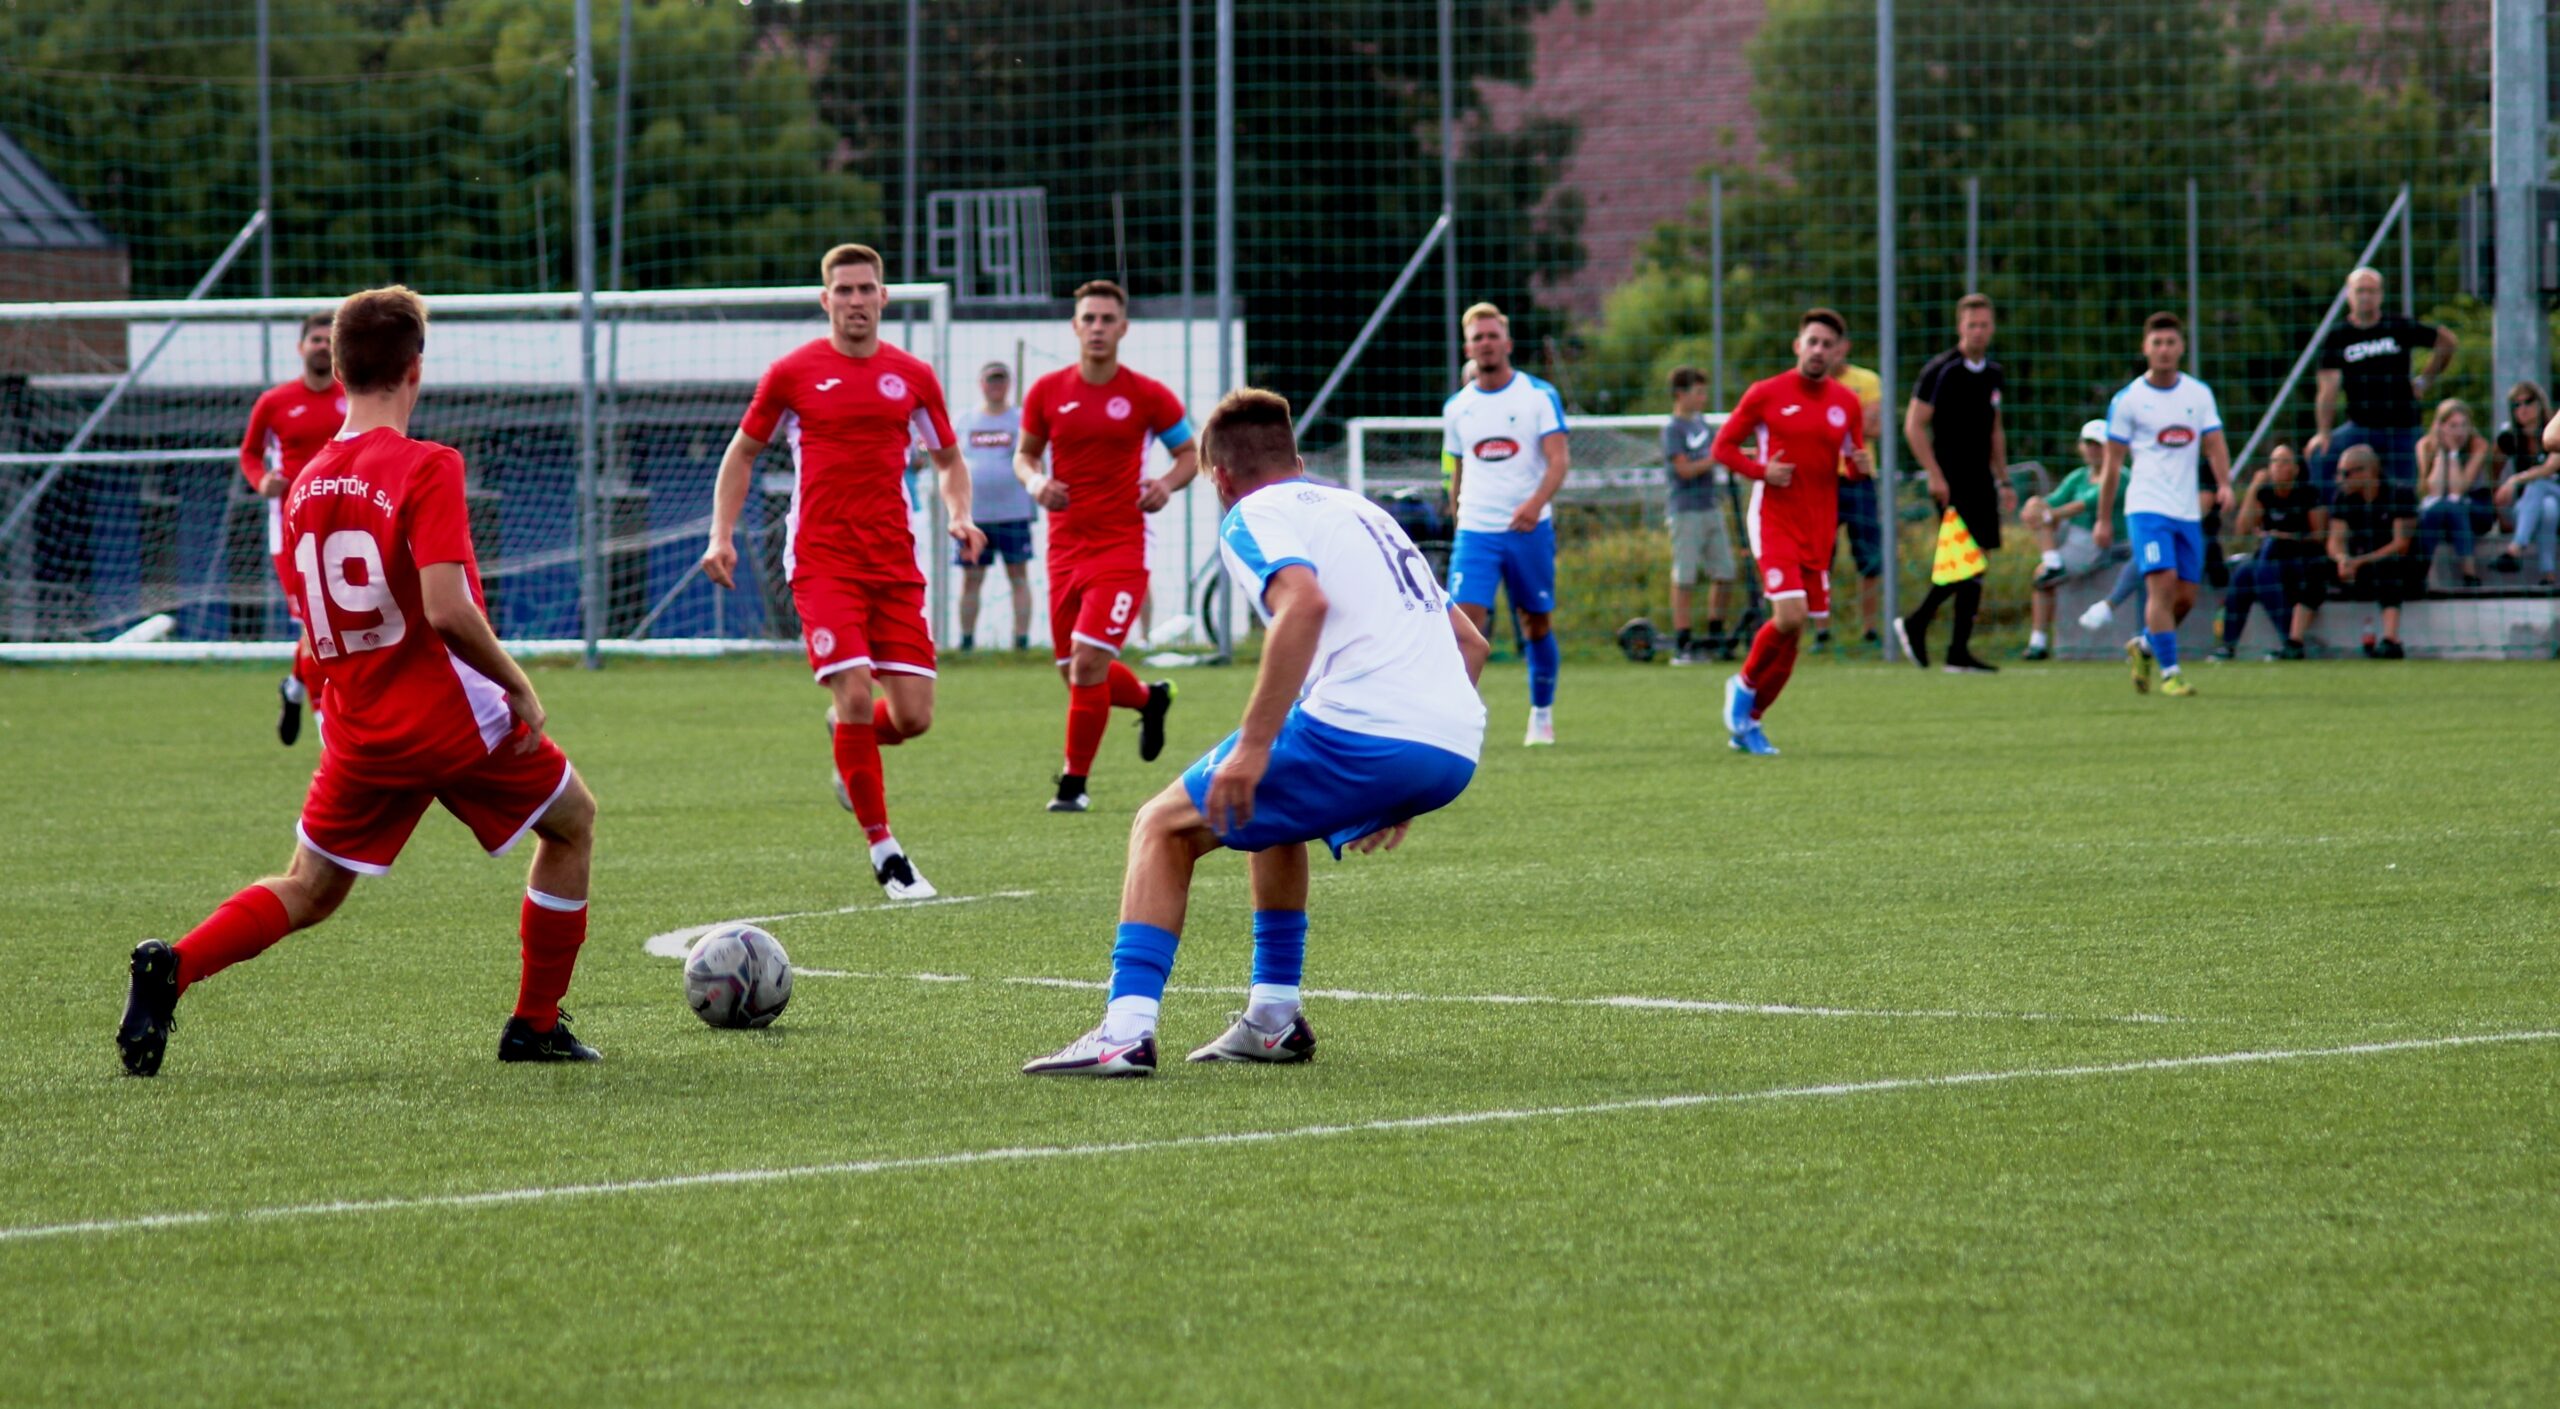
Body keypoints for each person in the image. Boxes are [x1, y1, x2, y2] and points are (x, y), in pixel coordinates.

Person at [116, 286, 603, 1076]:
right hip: (455, 719)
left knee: (309, 885)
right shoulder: (429, 465)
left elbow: (315, 623)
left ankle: (175, 965)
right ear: (416, 369)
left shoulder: (307, 483)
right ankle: (534, 1024)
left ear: (337, 371)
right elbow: (447, 610)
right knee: (573, 821)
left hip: (361, 728)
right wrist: (519, 685)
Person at [1022, 389, 1488, 1076]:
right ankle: (1273, 1019)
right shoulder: (1365, 512)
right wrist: (1409, 772)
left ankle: (1124, 1031)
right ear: (1297, 461)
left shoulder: (1252, 513)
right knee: (1265, 813)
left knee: (1160, 826)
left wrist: (1254, 743)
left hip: (1369, 729)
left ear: (1219, 478)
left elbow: (1303, 605)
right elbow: (1471, 643)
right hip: (1453, 745)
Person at [701, 243, 984, 900]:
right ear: (825, 299)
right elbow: (742, 454)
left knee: (912, 717)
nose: (856, 300)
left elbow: (948, 459)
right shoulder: (792, 373)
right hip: (823, 561)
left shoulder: (912, 375)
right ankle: (887, 853)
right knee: (855, 693)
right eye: (844, 290)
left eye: (866, 289)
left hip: (894, 563)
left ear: (884, 297)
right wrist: (721, 535)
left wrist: (960, 514)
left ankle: (845, 738)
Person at [1014, 280, 1190, 813]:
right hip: (1064, 548)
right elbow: (1025, 455)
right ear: (1075, 326)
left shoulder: (1147, 394)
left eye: (1107, 319)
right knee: (1072, 671)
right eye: (1088, 318)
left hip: (1122, 547)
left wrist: (1165, 485)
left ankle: (1073, 785)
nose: (1097, 327)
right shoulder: (1047, 391)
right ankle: (1149, 698)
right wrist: (1035, 483)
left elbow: (1189, 454)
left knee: (1089, 662)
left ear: (1123, 328)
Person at [1709, 308, 1871, 754]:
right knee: (1789, 616)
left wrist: (1861, 467)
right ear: (1798, 345)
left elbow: (1853, 465)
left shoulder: (1847, 403)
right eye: (1812, 341)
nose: (1818, 350)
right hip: (1773, 519)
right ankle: (1742, 686)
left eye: (1827, 344)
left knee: (1793, 634)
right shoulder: (1766, 393)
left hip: (1818, 527)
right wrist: (1762, 471)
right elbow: (1723, 447)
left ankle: (1750, 723)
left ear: (1839, 353)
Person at [1442, 301, 1571, 745]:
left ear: (1507, 343)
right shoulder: (1457, 407)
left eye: (1492, 336)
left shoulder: (1538, 396)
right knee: (1463, 626)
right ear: (1468, 348)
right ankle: (1457, 721)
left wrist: (1535, 504)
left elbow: (1559, 460)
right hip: (1476, 531)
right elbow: (1457, 469)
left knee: (1535, 623)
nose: (1485, 343)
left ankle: (1541, 713)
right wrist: (1458, 517)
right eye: (1477, 338)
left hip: (1528, 530)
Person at [2095, 311, 2233, 698]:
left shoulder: (2198, 395)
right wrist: (2103, 519)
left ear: (2181, 347)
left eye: (2171, 342)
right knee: (2163, 585)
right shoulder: (2129, 400)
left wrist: (2224, 483)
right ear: (2146, 348)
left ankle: (2144, 645)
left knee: (2185, 597)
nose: (2164, 349)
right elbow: (2112, 465)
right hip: (2147, 507)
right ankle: (2171, 673)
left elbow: (2214, 444)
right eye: (2157, 343)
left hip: (2186, 511)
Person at [238, 311, 348, 745]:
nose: (322, 346)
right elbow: (249, 453)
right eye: (315, 339)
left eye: (329, 340)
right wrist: (260, 481)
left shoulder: (352, 397)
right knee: (313, 625)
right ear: (301, 347)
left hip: (343, 528)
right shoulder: (274, 401)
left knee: (330, 624)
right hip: (290, 530)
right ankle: (326, 729)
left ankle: (295, 689)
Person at [1895, 293, 2010, 672]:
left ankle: (1955, 649)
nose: (1978, 331)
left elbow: (1995, 429)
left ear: (1991, 328)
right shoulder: (1941, 370)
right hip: (1950, 479)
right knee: (1965, 559)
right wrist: (1934, 473)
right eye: (1971, 324)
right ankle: (1918, 625)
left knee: (1978, 561)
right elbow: (1914, 425)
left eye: (1984, 324)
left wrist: (2004, 479)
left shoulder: (1993, 373)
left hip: (1982, 478)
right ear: (1960, 327)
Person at [2305, 267, 2456, 494]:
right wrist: (2323, 432)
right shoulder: (2337, 336)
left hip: (2402, 425)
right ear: (2349, 294)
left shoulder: (2398, 325)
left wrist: (2424, 381)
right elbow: (2328, 390)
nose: (2366, 296)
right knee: (2321, 456)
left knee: (2403, 492)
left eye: (2371, 290)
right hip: (2360, 426)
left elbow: (2446, 341)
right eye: (2360, 290)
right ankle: (2327, 515)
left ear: (2381, 295)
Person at [2215, 445, 2328, 660]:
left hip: (2301, 558)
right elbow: (2242, 529)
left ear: (2295, 468)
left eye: (2284, 462)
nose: (2277, 467)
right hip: (2271, 558)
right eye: (2274, 461)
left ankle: (2290, 641)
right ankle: (2228, 646)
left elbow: (2320, 536)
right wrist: (2253, 488)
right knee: (2243, 574)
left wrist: (2286, 537)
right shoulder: (2265, 493)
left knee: (2262, 570)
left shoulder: (2308, 493)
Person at [2021, 420, 2121, 659]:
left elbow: (2084, 504)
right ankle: (2052, 563)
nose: (2093, 450)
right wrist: (2034, 509)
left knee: (2041, 574)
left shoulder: (2118, 475)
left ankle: (2052, 567)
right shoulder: (2078, 476)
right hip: (2075, 537)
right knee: (2035, 504)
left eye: (2098, 445)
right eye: (2088, 444)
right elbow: (2052, 502)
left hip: (2104, 542)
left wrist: (2048, 515)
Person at [2309, 445, 2420, 656]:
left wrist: (2359, 561)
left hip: (2402, 567)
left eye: (2346, 473)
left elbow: (2401, 545)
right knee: (2315, 567)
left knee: (2389, 568)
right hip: (2360, 566)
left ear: (2367, 472)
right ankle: (2294, 641)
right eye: (2338, 473)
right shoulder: (2343, 497)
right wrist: (2342, 559)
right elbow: (2335, 540)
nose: (2340, 479)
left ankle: (2390, 641)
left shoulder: (2400, 493)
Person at [955, 361, 1035, 652]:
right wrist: (922, 450)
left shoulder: (1022, 420)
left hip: (1014, 512)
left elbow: (1037, 456)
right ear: (981, 384)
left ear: (1009, 384)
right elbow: (937, 449)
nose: (996, 386)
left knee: (1018, 576)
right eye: (991, 380)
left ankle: (1021, 641)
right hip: (974, 515)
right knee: (971, 578)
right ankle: (966, 642)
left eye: (1001, 380)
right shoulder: (964, 420)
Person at [1660, 365, 1737, 663]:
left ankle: (1716, 633)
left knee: (1725, 572)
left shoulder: (1702, 425)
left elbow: (1720, 454)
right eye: (1698, 392)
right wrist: (1716, 458)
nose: (1703, 398)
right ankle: (1683, 639)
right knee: (1685, 576)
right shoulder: (1673, 430)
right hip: (1685, 511)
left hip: (1710, 506)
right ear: (1681, 395)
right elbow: (1684, 469)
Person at [1826, 342, 1885, 647]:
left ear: (1845, 346)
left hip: (1860, 479)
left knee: (1870, 557)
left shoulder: (1868, 380)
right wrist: (1855, 418)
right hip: (1821, 480)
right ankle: (1822, 631)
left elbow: (1876, 428)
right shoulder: (1810, 384)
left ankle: (1870, 630)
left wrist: (1831, 421)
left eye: (1832, 343)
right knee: (1820, 558)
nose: (1828, 351)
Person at [2411, 398, 2490, 587]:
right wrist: (2441, 451)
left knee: (2453, 506)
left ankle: (2467, 571)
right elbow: (2433, 490)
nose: (2460, 432)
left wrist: (2453, 454)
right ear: (2440, 426)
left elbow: (2458, 489)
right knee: (2437, 509)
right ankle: (2424, 576)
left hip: (2475, 508)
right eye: (2453, 426)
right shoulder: (2425, 445)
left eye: (2464, 425)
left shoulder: (2478, 445)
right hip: (2440, 509)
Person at [2501, 385, 2560, 585]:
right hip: (2529, 506)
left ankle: (2516, 547)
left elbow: (2550, 468)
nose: (2523, 409)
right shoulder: (2509, 438)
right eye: (2516, 405)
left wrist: (2515, 479)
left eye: (2528, 402)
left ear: (2540, 403)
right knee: (2548, 508)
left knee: (2539, 484)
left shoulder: (2553, 429)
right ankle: (2548, 573)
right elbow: (2493, 469)